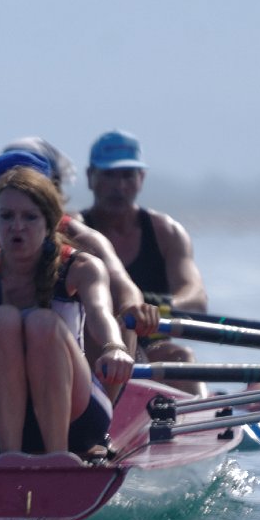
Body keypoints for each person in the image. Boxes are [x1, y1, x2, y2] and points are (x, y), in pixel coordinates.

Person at [0, 163, 135, 459]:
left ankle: (59, 456)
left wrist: (114, 347)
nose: (17, 226)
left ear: (50, 223)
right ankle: (9, 457)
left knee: (42, 322)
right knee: (2, 319)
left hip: (78, 422)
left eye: (30, 217)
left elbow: (101, 314)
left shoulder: (82, 267)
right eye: (6, 216)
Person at [0, 137, 158, 398]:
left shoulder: (83, 239)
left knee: (119, 315)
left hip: (66, 358)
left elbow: (123, 287)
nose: (18, 225)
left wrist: (135, 310)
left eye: (30, 211)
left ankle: (106, 407)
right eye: (8, 212)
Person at [79, 129, 209, 397]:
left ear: (141, 178)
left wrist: (156, 308)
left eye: (127, 175)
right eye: (109, 175)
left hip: (150, 349)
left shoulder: (166, 232)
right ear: (90, 177)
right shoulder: (76, 230)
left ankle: (205, 417)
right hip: (92, 350)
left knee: (181, 356)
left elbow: (196, 298)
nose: (119, 186)